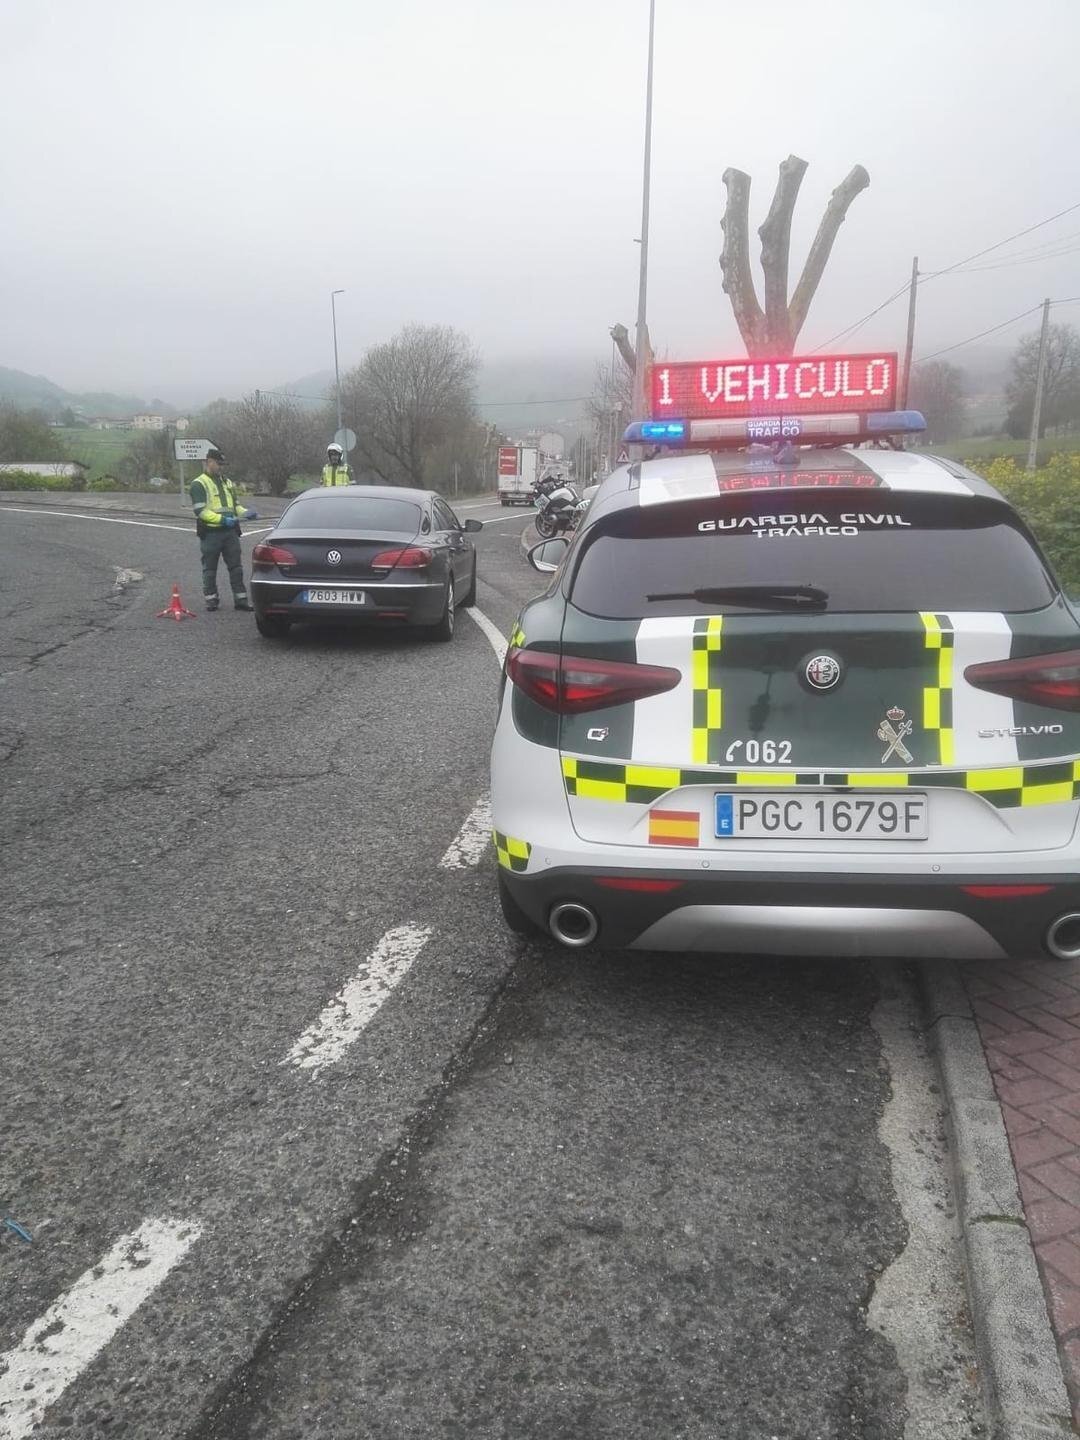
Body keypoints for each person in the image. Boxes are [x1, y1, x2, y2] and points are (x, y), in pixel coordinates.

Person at [189, 447, 258, 611]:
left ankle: (240, 600)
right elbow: (201, 511)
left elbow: (235, 507)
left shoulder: (227, 482)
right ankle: (211, 599)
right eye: (219, 464)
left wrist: (245, 513)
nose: (221, 467)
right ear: (209, 462)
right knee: (210, 568)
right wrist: (222, 520)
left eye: (223, 464)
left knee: (236, 567)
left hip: (230, 533)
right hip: (211, 533)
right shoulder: (199, 484)